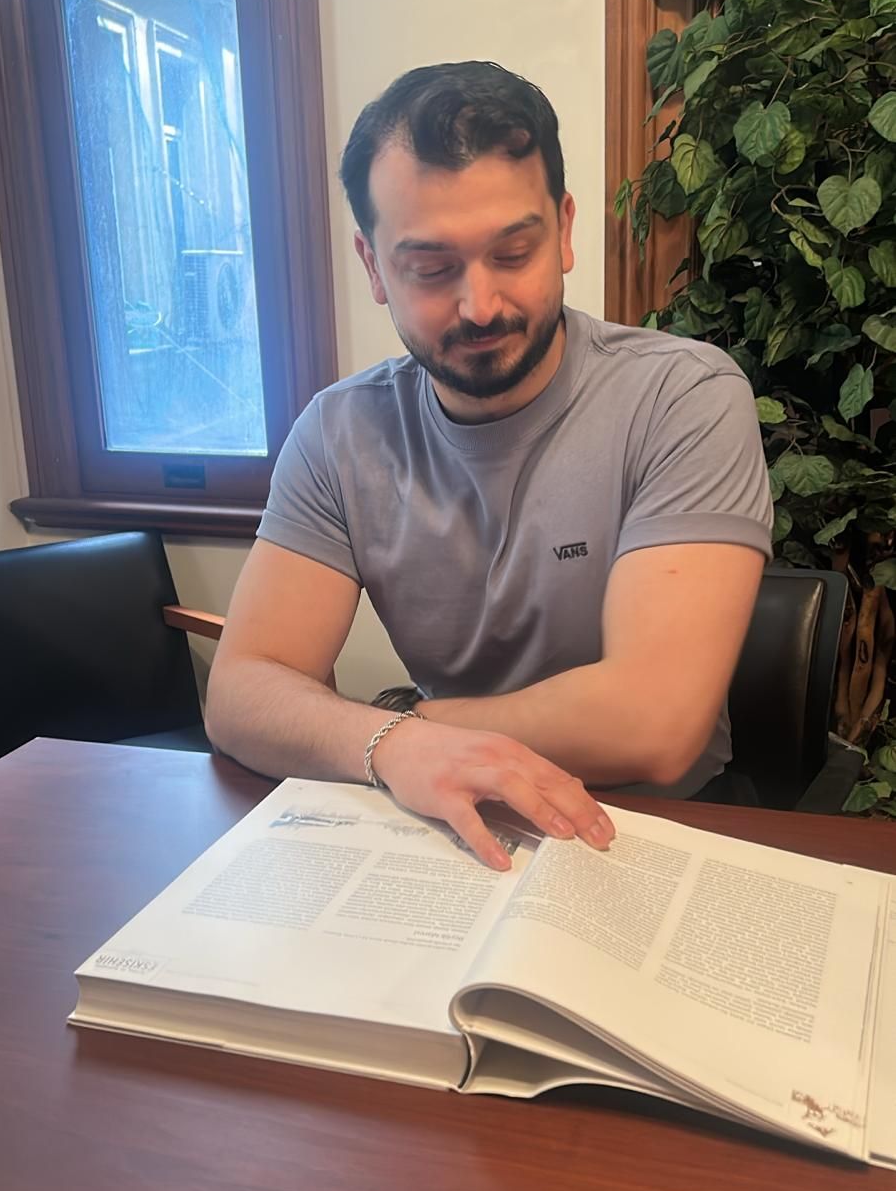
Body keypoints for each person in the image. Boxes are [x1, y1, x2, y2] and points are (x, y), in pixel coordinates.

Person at [206, 61, 772, 870]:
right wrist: (397, 747)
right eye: (431, 269)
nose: (480, 306)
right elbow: (240, 693)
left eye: (513, 252)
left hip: (654, 827)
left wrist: (408, 730)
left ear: (565, 230)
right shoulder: (340, 434)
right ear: (374, 266)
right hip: (447, 828)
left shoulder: (681, 396)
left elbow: (655, 726)